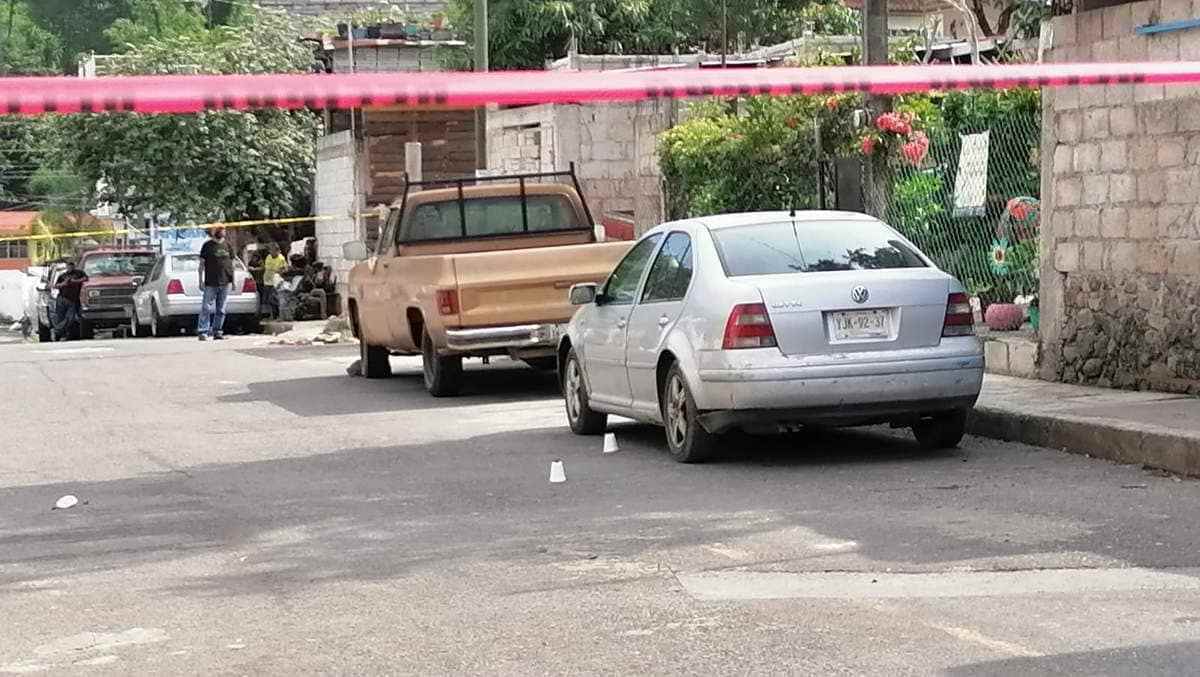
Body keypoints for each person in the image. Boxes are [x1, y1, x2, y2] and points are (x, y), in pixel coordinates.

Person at [197, 227, 235, 341]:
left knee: (221, 309)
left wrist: (233, 281)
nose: (224, 232)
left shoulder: (228, 245)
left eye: (224, 230)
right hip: (211, 282)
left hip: (225, 282)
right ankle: (203, 331)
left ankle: (217, 332)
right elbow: (201, 265)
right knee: (206, 307)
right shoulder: (207, 246)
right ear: (215, 232)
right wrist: (200, 280)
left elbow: (232, 265)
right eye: (221, 230)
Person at [53, 261, 87, 341]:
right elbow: (56, 285)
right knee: (60, 318)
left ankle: (59, 331)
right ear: (67, 267)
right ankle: (60, 334)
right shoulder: (63, 276)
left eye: (71, 266)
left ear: (74, 266)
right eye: (68, 266)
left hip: (73, 299)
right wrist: (64, 283)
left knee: (70, 318)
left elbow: (85, 278)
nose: (70, 268)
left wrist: (75, 281)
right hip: (62, 298)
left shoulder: (79, 273)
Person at [262, 242, 287, 319]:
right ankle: (272, 315)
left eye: (272, 250)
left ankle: (277, 314)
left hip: (276, 282)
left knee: (274, 298)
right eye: (270, 250)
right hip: (267, 281)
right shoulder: (268, 257)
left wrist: (278, 273)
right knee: (268, 299)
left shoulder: (281, 258)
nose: (270, 252)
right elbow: (267, 267)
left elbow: (283, 270)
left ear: (277, 251)